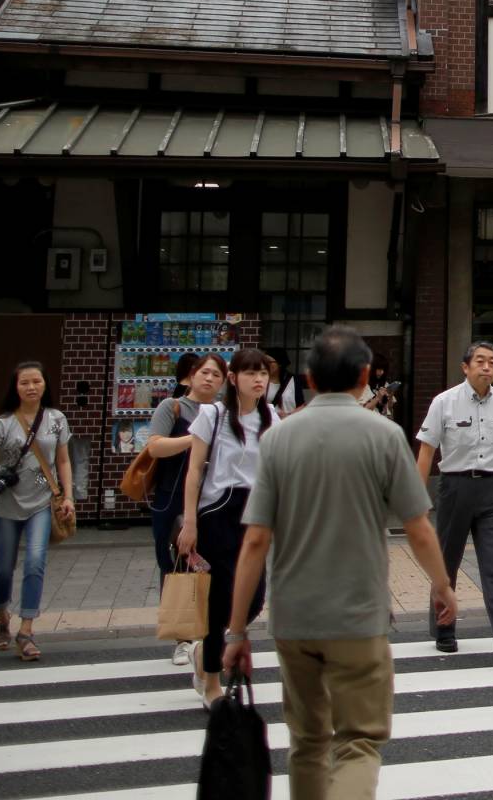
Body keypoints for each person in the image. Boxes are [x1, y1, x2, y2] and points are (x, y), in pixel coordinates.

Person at [221, 325, 454, 800]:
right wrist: (442, 586)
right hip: (358, 615)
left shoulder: (277, 439)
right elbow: (418, 526)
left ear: (307, 377)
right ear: (365, 374)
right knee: (358, 741)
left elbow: (255, 541)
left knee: (306, 741)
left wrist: (236, 631)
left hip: (294, 616)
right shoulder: (385, 436)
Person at [414, 340, 493, 662]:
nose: (486, 367)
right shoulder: (445, 402)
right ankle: (444, 628)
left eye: (492, 362)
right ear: (465, 368)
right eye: (480, 361)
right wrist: (415, 497)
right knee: (446, 563)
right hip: (455, 489)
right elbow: (427, 450)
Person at [179, 348, 275, 703]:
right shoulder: (213, 415)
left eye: (263, 373)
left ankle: (202, 653)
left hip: (255, 513)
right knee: (220, 599)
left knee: (254, 598)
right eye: (250, 373)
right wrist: (190, 522)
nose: (259, 379)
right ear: (233, 378)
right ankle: (212, 684)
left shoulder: (272, 419)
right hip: (217, 512)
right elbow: (194, 471)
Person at [0, 361, 74, 664]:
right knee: (4, 566)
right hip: (6, 504)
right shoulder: (3, 422)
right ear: (15, 387)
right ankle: (2, 613)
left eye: (36, 382)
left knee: (35, 561)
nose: (31, 387)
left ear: (45, 385)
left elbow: (64, 461)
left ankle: (26, 629)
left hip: (42, 502)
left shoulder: (56, 419)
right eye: (24, 382)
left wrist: (69, 496)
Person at [146, 352, 224, 666]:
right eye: (204, 372)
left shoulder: (224, 412)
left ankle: (207, 632)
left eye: (216, 375)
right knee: (175, 564)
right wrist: (194, 439)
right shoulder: (173, 406)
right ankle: (182, 637)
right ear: (190, 376)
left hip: (211, 498)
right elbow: (154, 446)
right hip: (172, 497)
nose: (209, 379)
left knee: (209, 564)